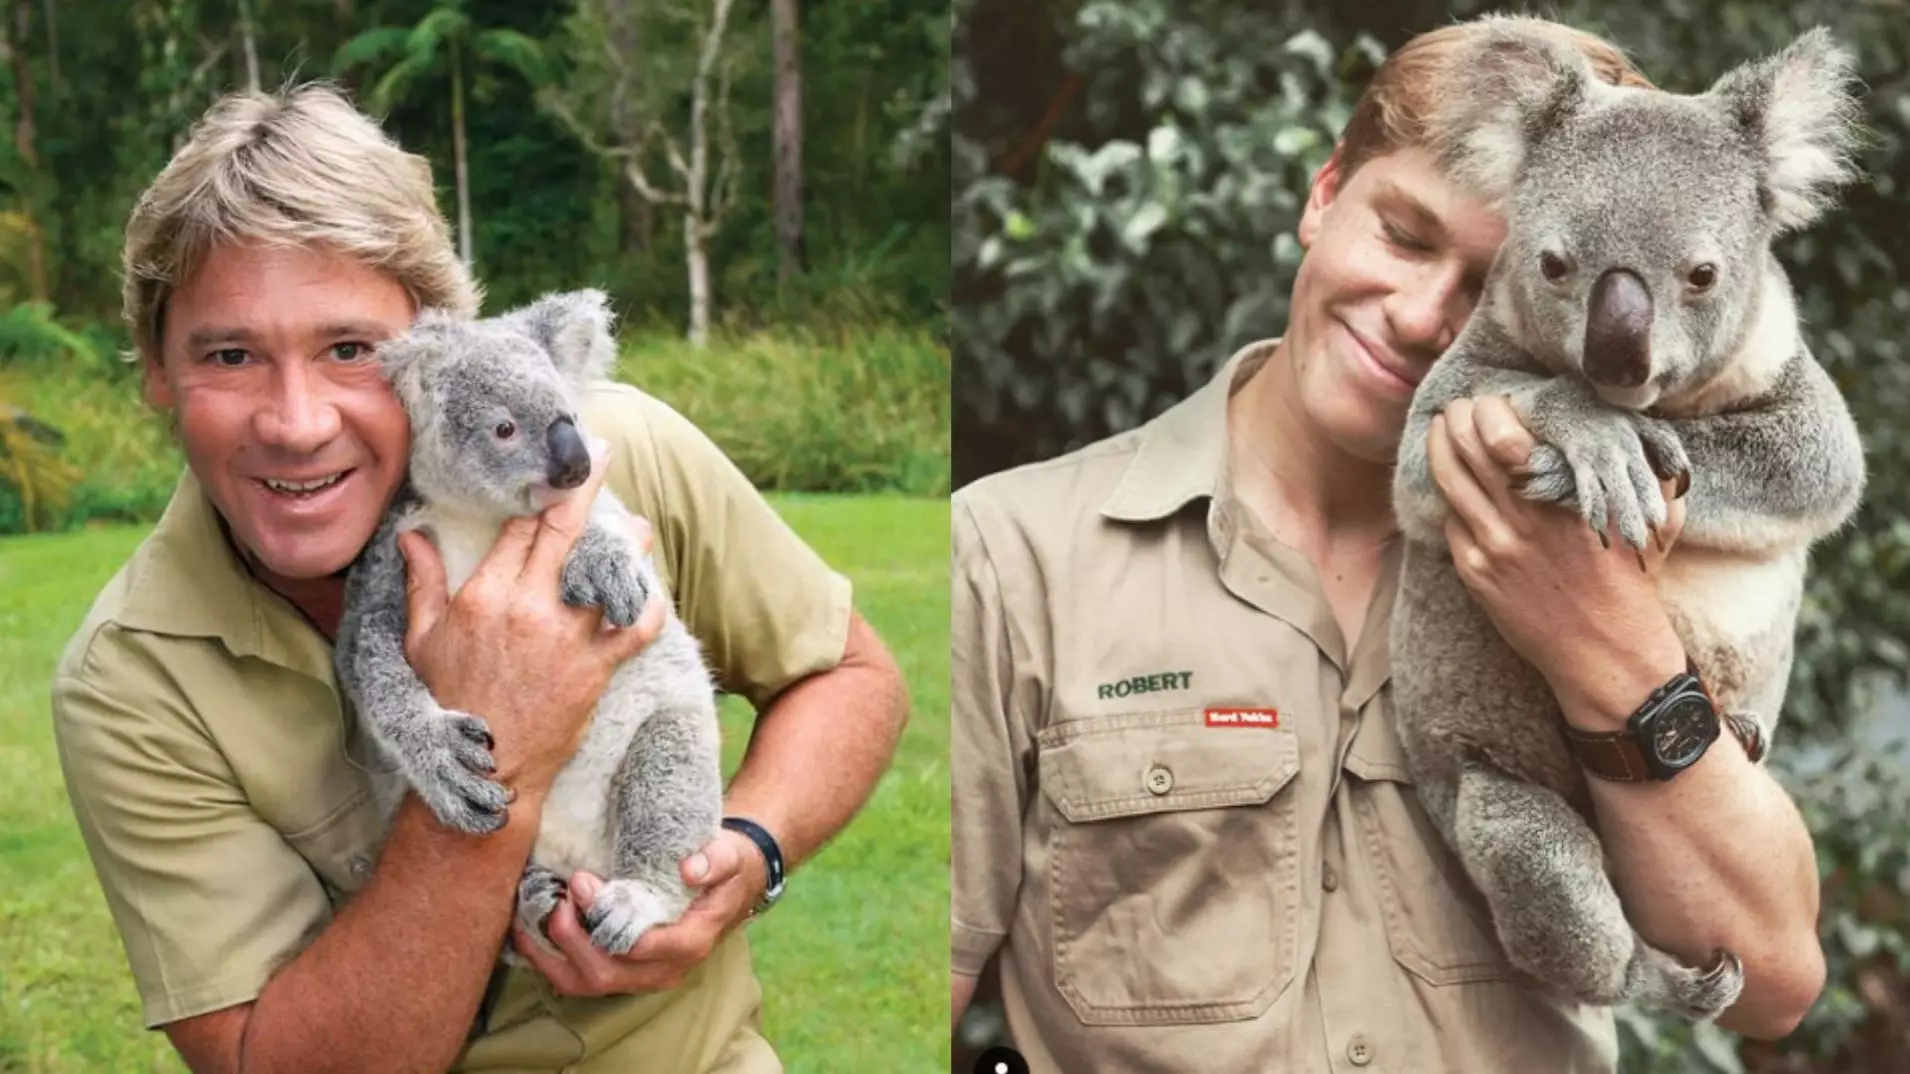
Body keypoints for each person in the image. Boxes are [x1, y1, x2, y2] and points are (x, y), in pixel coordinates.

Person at [950, 15, 1826, 1072]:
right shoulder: (1013, 555)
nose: (1421, 318)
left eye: (1482, 281)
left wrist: (1608, 644)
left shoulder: (1654, 547)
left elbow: (1766, 982)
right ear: (1324, 194)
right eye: (1403, 237)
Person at [49, 83, 908, 1074]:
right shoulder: (130, 683)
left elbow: (849, 675)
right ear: (156, 370)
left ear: (435, 344)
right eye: (230, 354)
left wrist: (744, 855)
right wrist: (507, 737)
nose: (296, 421)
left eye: (350, 351)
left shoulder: (608, 453)